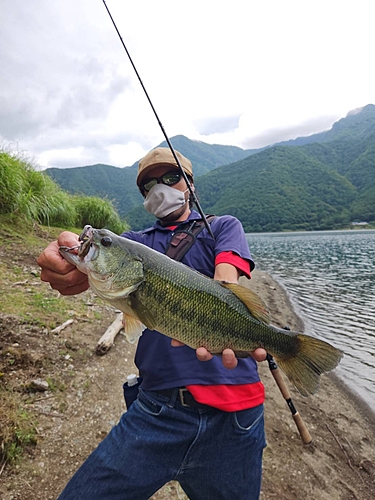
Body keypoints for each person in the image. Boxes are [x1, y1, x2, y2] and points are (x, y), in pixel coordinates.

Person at [37, 147, 267, 500]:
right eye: (149, 184)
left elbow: (227, 279)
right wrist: (64, 253)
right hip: (156, 410)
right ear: (144, 195)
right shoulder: (133, 244)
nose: (160, 187)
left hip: (236, 417)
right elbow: (89, 254)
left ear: (189, 183)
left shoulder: (223, 226)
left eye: (170, 177)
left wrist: (229, 307)